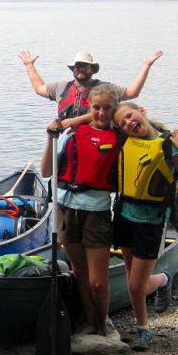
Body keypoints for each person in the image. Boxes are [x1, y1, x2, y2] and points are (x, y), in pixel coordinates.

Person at [112, 101, 178, 350]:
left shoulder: (168, 144)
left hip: (151, 222)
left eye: (130, 116)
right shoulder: (125, 140)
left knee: (135, 284)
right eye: (123, 123)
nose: (128, 123)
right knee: (132, 280)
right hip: (124, 216)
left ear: (142, 111)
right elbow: (98, 107)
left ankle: (148, 320)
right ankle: (149, 312)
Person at [40, 85, 119, 336]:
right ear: (89, 109)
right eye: (96, 108)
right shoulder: (73, 134)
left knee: (98, 280)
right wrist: (50, 138)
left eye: (107, 108)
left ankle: (103, 323)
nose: (101, 113)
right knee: (79, 273)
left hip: (96, 212)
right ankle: (90, 321)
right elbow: (45, 171)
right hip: (66, 208)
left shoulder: (120, 137)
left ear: (114, 110)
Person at [18, 49, 163, 128]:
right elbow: (39, 88)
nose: (79, 69)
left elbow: (132, 92)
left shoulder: (104, 88)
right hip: (66, 142)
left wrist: (146, 66)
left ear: (92, 69)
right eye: (77, 66)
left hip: (95, 140)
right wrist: (29, 65)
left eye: (84, 66)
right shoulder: (61, 87)